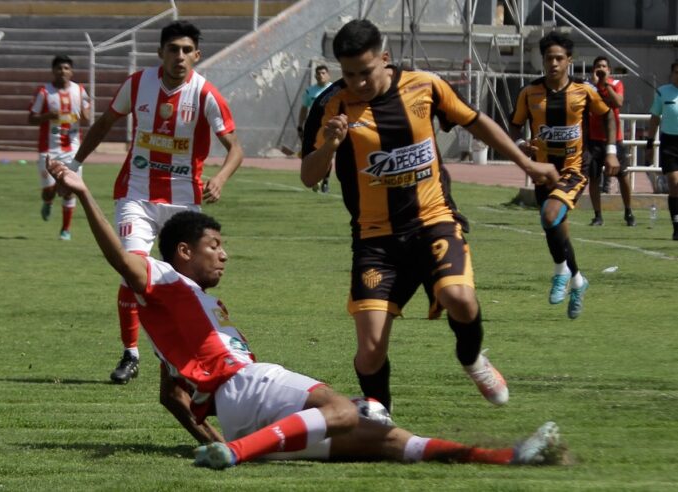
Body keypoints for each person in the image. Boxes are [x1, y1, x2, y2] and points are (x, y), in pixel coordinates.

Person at [46, 157, 563, 470]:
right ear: (183, 252)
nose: (223, 254)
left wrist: (214, 438)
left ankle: (505, 457)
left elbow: (170, 395)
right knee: (345, 411)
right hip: (247, 386)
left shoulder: (181, 311)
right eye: (215, 245)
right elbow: (120, 258)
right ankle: (240, 454)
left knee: (387, 441)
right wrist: (86, 193)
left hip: (240, 415)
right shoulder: (165, 278)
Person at [300, 19, 559, 413]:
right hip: (375, 240)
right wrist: (330, 146)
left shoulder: (425, 86)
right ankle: (381, 422)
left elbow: (477, 123)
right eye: (349, 74)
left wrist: (527, 163)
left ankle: (472, 358)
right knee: (369, 352)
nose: (358, 83)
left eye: (366, 72)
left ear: (384, 59)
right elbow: (308, 176)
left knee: (460, 299)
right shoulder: (330, 105)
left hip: (432, 221)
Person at [71, 21, 244, 384]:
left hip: (183, 201)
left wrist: (221, 177)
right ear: (160, 52)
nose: (179, 56)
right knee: (131, 268)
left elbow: (235, 148)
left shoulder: (205, 94)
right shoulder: (138, 84)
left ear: (196, 54)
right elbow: (104, 123)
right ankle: (130, 353)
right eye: (172, 49)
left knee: (185, 282)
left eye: (186, 50)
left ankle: (180, 354)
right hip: (137, 194)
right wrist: (75, 163)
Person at [510, 32, 619, 319]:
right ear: (542, 60)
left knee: (549, 215)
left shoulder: (583, 91)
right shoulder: (529, 92)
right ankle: (578, 280)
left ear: (569, 61)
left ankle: (560, 273)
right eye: (549, 58)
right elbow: (515, 126)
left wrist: (610, 151)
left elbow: (607, 115)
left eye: (560, 58)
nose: (554, 63)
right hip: (544, 172)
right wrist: (522, 146)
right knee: (555, 228)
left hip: (574, 170)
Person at [28, 54, 91, 241]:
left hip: (72, 148)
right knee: (49, 189)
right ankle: (47, 201)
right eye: (59, 68)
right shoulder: (44, 92)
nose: (62, 72)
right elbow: (31, 118)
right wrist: (47, 116)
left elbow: (87, 114)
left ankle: (65, 229)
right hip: (49, 149)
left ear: (71, 71)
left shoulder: (79, 90)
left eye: (66, 68)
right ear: (53, 71)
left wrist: (85, 113)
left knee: (70, 188)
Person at [586, 56, 634, 227]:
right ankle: (598, 215)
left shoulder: (616, 84)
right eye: (598, 66)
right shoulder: (588, 87)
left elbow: (617, 102)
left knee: (622, 176)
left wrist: (605, 84)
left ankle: (628, 211)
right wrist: (594, 85)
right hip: (594, 139)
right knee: (594, 177)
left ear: (609, 70)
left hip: (614, 139)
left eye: (604, 67)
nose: (601, 69)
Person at [645, 60, 678, 241]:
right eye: (676, 72)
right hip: (670, 143)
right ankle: (676, 225)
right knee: (675, 184)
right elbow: (655, 118)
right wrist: (649, 143)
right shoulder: (663, 92)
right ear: (672, 73)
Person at [298, 64, 333, 193]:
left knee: (327, 154)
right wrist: (300, 125)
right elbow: (304, 108)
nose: (321, 76)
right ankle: (315, 179)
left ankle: (325, 181)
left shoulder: (334, 89)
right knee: (311, 154)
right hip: (313, 127)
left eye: (323, 73)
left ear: (328, 75)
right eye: (318, 73)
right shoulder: (310, 91)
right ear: (315, 75)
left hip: (328, 126)